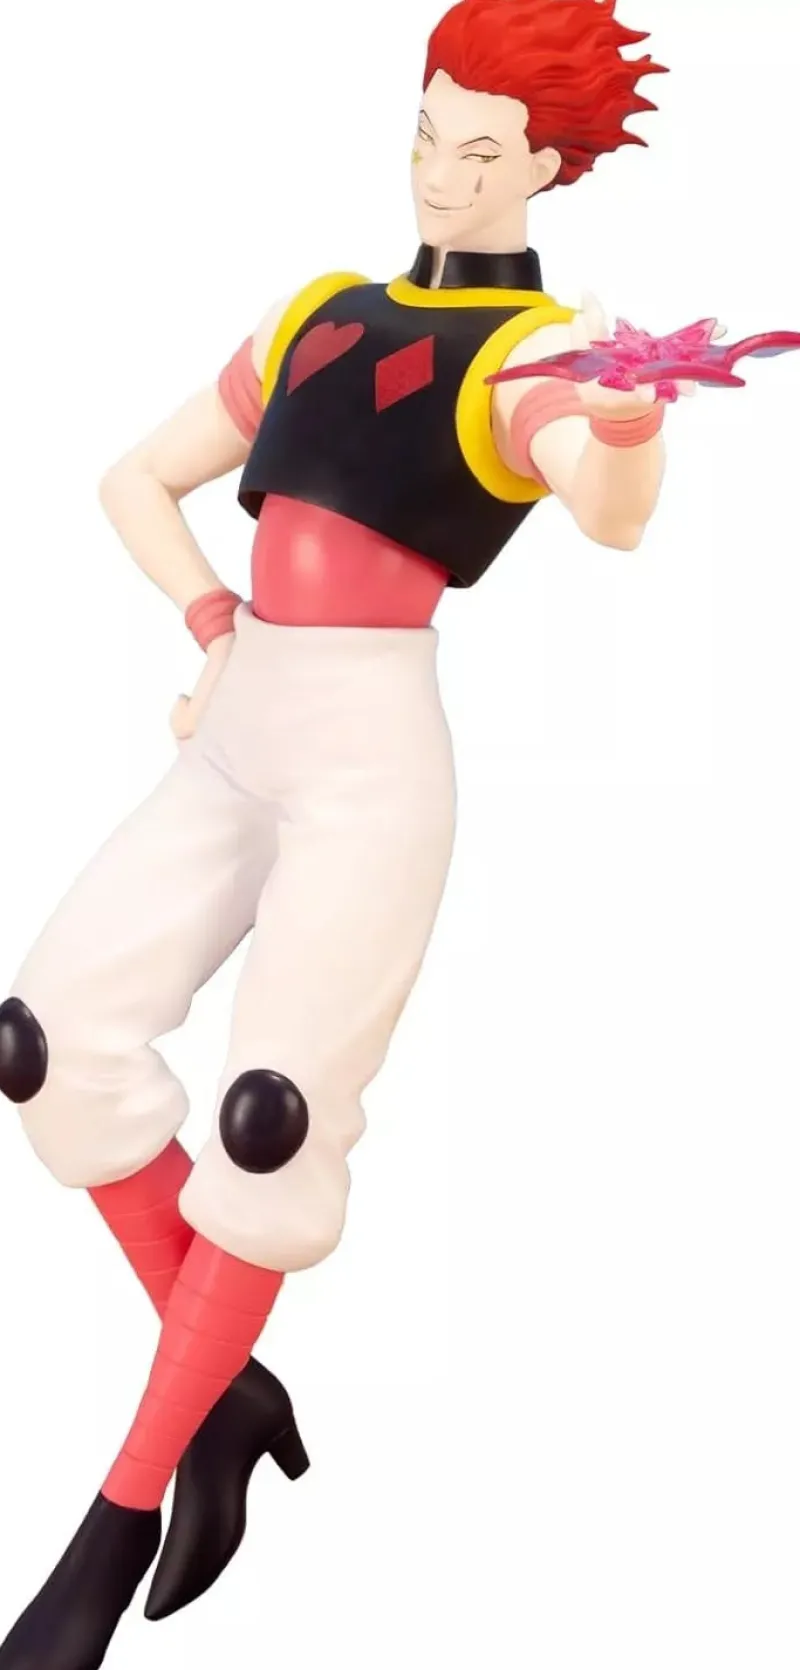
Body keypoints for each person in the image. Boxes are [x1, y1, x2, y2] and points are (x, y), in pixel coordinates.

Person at [0, 1, 773, 1663]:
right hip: (243, 722)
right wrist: (210, 620)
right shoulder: (317, 311)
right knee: (42, 1035)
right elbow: (136, 477)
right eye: (427, 133)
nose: (441, 173)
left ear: (547, 168)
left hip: (370, 754)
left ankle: (109, 1528)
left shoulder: (541, 352)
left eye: (481, 151)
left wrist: (627, 423)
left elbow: (609, 516)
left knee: (269, 1122)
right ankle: (221, 1394)